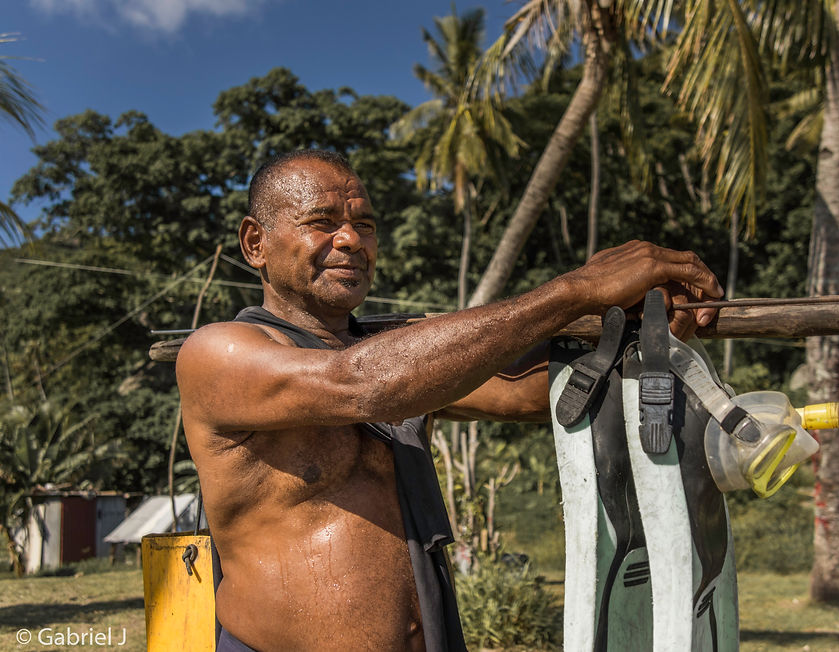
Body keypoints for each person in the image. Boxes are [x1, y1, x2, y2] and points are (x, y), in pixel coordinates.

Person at [176, 149, 723, 652]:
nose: (351, 241)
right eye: (322, 222)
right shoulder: (219, 354)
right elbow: (359, 383)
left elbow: (534, 394)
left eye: (364, 226)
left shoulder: (402, 363)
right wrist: (578, 289)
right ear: (255, 244)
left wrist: (630, 324)